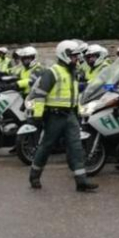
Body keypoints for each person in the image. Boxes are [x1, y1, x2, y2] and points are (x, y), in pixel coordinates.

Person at [28, 40, 97, 192]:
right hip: (54, 116)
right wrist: (38, 116)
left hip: (70, 115)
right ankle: (34, 175)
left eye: (76, 56)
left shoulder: (73, 72)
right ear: (64, 55)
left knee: (76, 148)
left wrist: (78, 111)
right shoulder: (52, 72)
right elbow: (39, 94)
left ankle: (81, 181)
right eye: (73, 56)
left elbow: (74, 94)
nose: (76, 59)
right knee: (46, 147)